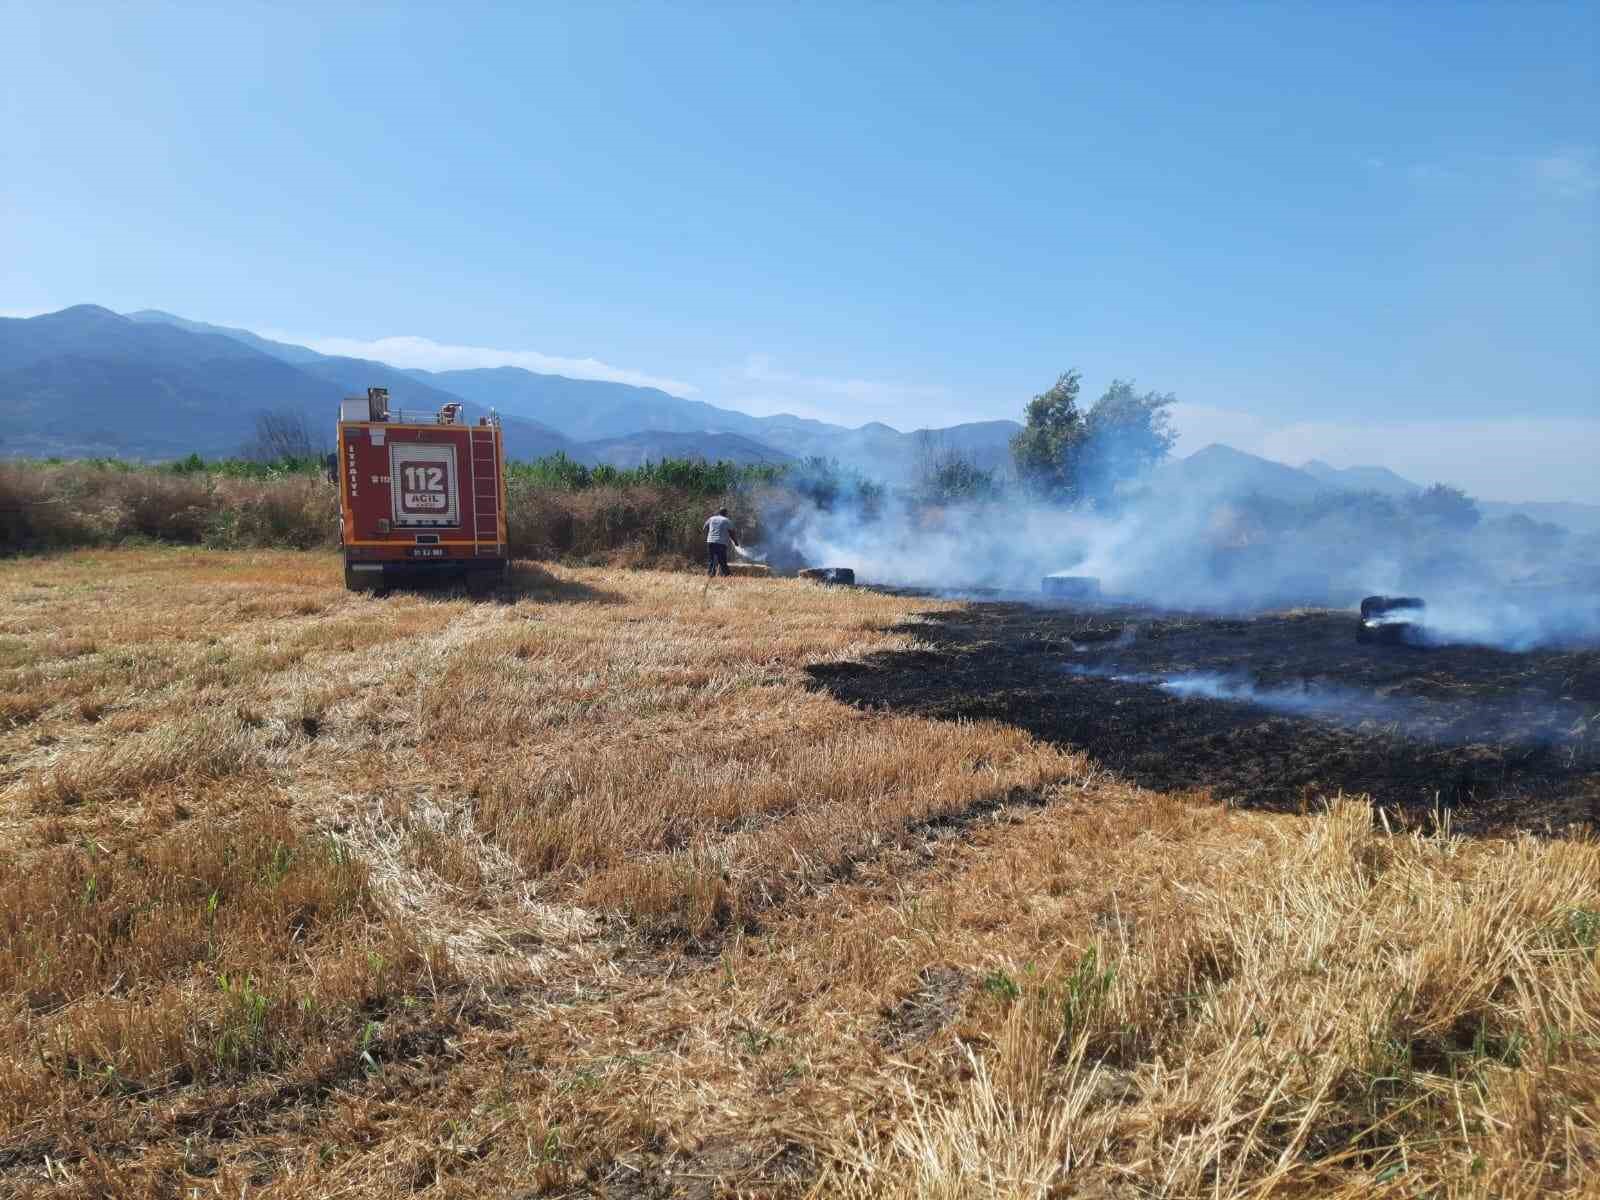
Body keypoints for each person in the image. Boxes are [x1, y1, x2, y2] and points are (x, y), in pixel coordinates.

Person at [704, 506, 739, 577]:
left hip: (710, 542)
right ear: (726, 513)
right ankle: (727, 575)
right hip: (721, 543)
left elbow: (704, 528)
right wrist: (735, 542)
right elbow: (732, 532)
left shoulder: (711, 518)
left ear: (718, 512)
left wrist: (710, 534)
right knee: (722, 560)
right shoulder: (727, 521)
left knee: (712, 559)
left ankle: (711, 574)